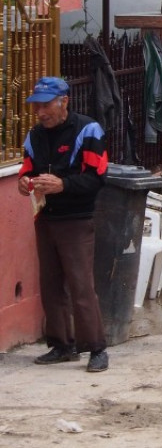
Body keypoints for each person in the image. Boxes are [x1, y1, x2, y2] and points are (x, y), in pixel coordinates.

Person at [18, 77, 110, 373]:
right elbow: (27, 169)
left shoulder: (88, 129)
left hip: (76, 219)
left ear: (64, 102)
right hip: (45, 218)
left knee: (81, 285)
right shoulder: (34, 135)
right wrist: (24, 182)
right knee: (50, 284)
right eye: (37, 106)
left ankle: (96, 348)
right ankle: (61, 345)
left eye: (46, 105)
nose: (41, 112)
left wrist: (63, 185)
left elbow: (98, 177)